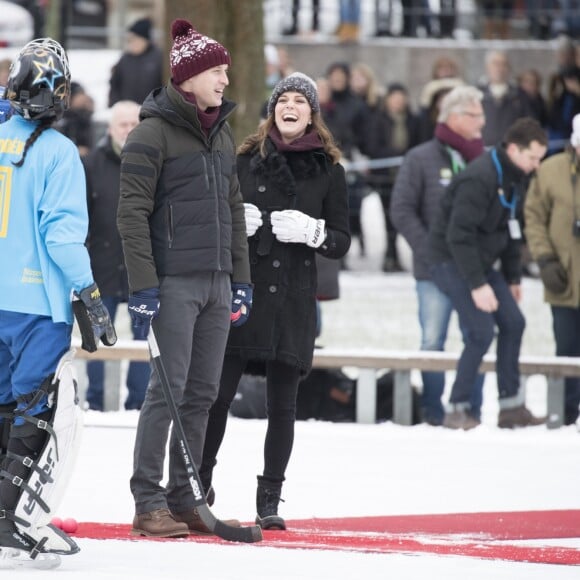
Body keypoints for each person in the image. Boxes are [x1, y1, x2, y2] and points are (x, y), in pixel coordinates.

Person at [117, 19, 251, 539]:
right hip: (173, 282)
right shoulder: (150, 133)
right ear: (189, 77)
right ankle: (147, 500)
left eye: (225, 70)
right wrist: (144, 286)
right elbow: (131, 214)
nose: (223, 79)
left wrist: (241, 278)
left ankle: (186, 496)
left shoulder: (222, 135)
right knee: (166, 391)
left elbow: (234, 210)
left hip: (217, 282)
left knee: (202, 393)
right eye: (216, 70)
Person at [200, 72, 351, 530]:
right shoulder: (243, 160)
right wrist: (232, 226)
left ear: (312, 114)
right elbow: (209, 215)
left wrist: (315, 232)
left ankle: (270, 497)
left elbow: (342, 239)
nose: (290, 107)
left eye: (299, 102)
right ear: (273, 110)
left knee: (283, 404)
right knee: (217, 396)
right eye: (282, 99)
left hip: (292, 299)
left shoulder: (330, 169)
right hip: (244, 290)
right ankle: (199, 484)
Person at [0, 38, 115, 560]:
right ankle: (8, 518)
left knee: (3, 403)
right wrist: (89, 293)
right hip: (35, 302)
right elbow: (61, 236)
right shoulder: (59, 152)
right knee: (34, 409)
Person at [428, 117, 548, 430]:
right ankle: (457, 408)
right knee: (480, 331)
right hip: (450, 259)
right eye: (533, 157)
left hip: (482, 260)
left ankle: (511, 407)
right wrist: (478, 285)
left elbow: (511, 228)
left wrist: (513, 277)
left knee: (513, 322)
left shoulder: (516, 177)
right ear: (513, 149)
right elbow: (458, 236)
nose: (537, 165)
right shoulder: (479, 178)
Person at [390, 86, 487, 426]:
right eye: (476, 115)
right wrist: (430, 250)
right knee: (433, 340)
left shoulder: (485, 159)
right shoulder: (420, 158)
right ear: (457, 117)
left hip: (476, 272)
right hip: (432, 271)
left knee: (478, 336)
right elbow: (401, 210)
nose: (483, 122)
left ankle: (470, 410)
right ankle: (433, 413)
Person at [83, 100, 149, 412]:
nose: (129, 130)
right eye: (123, 124)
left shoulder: (155, 163)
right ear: (110, 128)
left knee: (144, 338)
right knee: (97, 336)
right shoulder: (91, 165)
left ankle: (138, 404)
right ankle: (97, 402)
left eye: (135, 124)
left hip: (142, 270)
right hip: (102, 265)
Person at [524, 113, 580, 425]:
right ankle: (566, 412)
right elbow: (533, 217)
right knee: (567, 347)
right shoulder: (551, 170)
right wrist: (544, 259)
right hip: (564, 276)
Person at [108, 17, 163, 107]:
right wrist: (115, 105)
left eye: (134, 39)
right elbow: (114, 84)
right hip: (127, 112)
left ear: (145, 40)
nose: (131, 43)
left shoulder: (159, 58)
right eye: (129, 40)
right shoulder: (125, 59)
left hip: (152, 112)